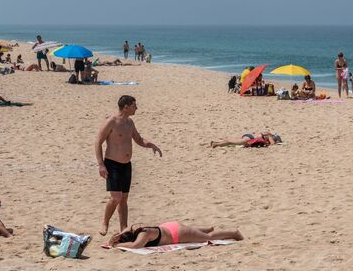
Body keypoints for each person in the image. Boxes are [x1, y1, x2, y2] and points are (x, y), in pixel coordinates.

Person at [95, 95, 163, 236]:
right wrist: (101, 165)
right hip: (112, 164)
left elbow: (138, 139)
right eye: (134, 105)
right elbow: (98, 142)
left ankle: (123, 228)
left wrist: (151, 145)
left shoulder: (130, 123)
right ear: (126, 107)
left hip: (126, 165)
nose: (136, 108)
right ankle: (105, 222)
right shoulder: (111, 122)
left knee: (124, 198)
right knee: (116, 198)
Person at [109, 223, 243, 249]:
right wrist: (113, 240)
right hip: (168, 226)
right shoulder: (132, 227)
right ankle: (204, 228)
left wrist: (117, 245)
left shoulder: (144, 234)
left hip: (177, 234)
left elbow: (136, 245)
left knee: (208, 237)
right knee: (198, 233)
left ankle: (233, 233)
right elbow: (119, 235)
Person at [210, 132, 282, 148]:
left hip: (250, 137)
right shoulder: (269, 136)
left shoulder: (266, 136)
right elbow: (272, 144)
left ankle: (216, 142)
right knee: (233, 142)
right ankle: (216, 144)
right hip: (250, 138)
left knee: (234, 143)